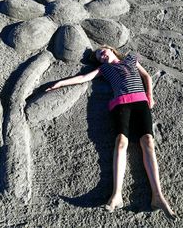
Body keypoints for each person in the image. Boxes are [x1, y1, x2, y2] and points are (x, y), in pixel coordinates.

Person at [46, 45, 176, 219]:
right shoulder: (104, 69)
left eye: (102, 52)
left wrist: (149, 96)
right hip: (120, 104)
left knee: (148, 142)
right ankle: (117, 194)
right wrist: (60, 83)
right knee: (121, 142)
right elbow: (84, 77)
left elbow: (146, 76)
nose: (101, 56)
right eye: (99, 57)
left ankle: (158, 196)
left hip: (140, 102)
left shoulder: (131, 59)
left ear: (111, 49)